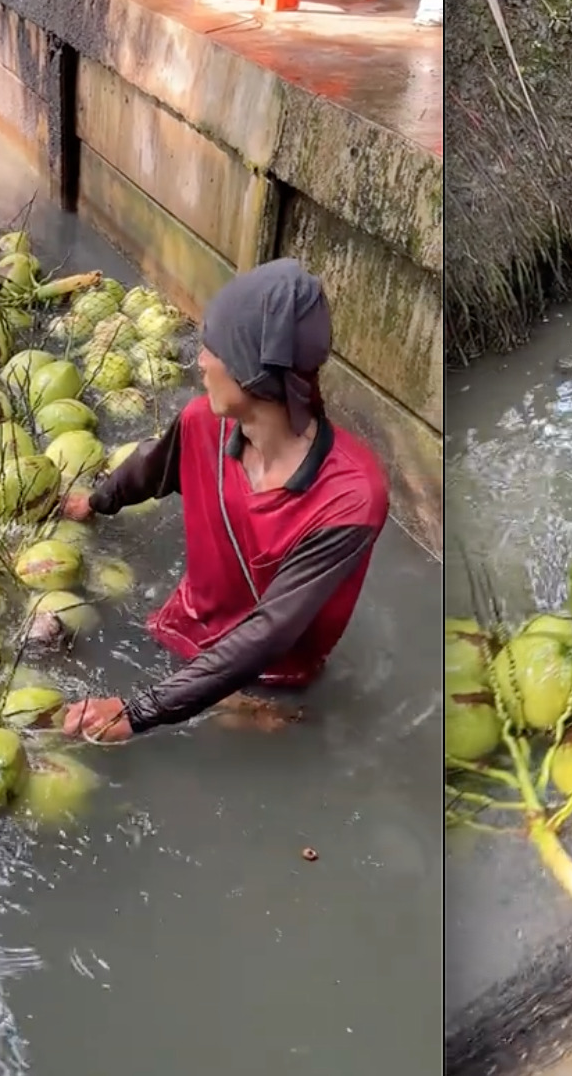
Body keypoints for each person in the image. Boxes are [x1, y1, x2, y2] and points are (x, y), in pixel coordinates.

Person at [56, 259, 391, 742]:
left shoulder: (351, 498)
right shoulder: (201, 424)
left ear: (251, 374)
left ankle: (241, 710)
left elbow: (269, 634)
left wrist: (136, 713)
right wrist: (92, 503)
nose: (200, 361)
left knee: (265, 732)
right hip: (178, 629)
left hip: (269, 678)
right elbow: (150, 469)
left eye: (213, 348)